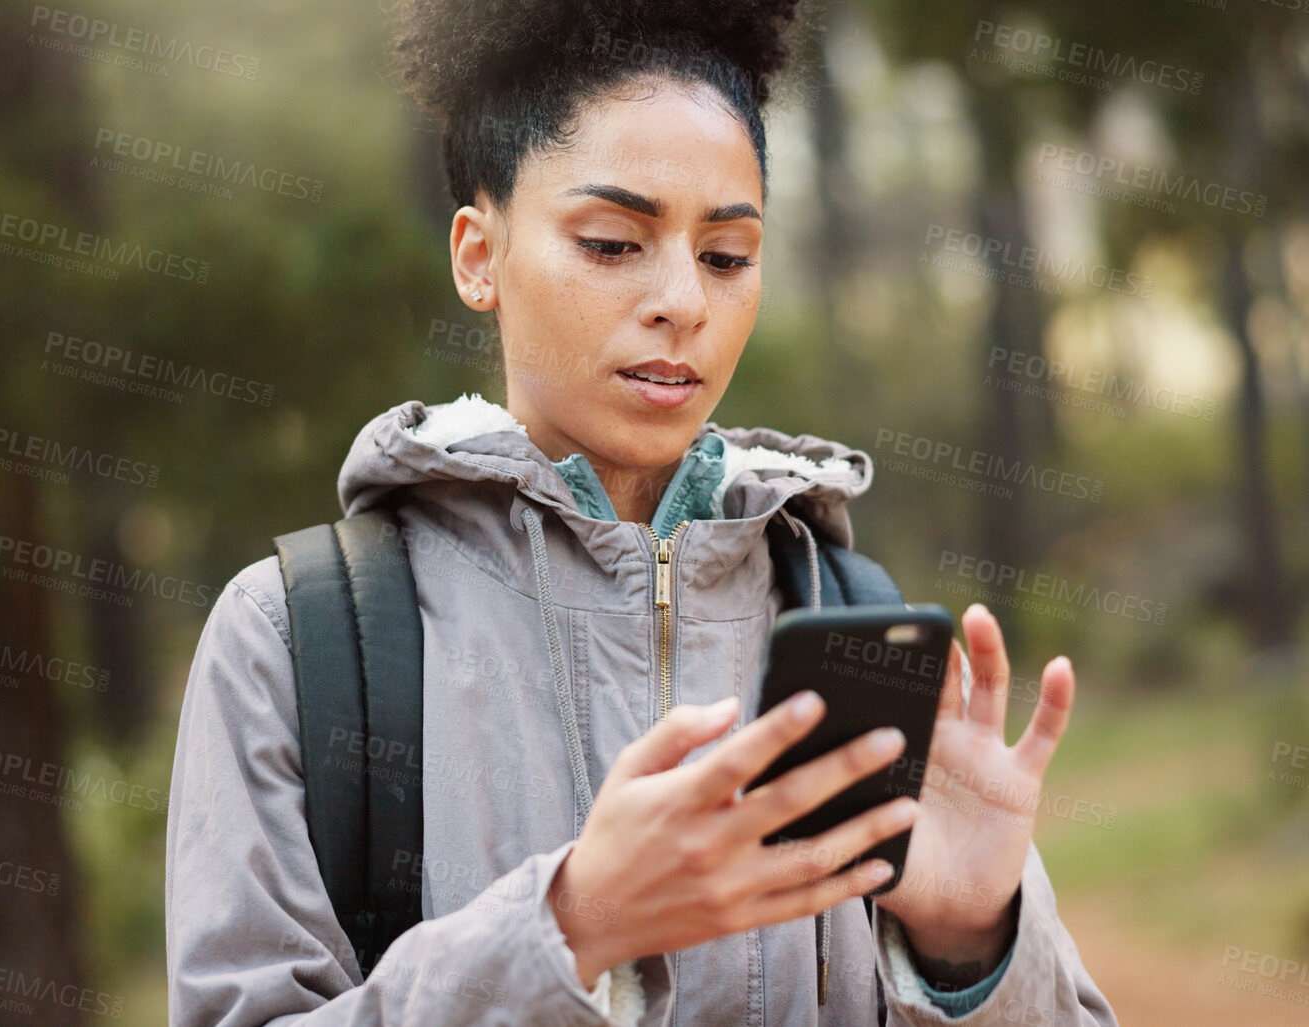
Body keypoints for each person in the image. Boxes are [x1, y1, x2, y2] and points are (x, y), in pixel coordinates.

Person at [165, 1, 1119, 1024]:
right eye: (615, 242)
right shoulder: (298, 639)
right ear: (479, 255)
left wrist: (972, 945)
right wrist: (569, 928)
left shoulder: (842, 621)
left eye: (725, 256)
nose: (684, 302)